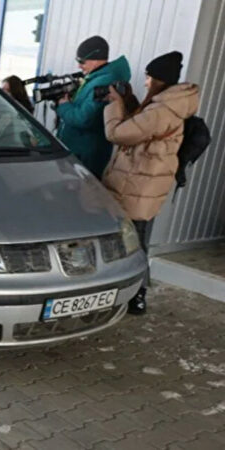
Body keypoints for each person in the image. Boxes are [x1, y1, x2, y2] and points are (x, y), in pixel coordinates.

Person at [102, 51, 199, 314]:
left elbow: (117, 133)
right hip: (140, 185)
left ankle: (137, 296)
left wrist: (113, 103)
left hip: (140, 189)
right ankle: (130, 293)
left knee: (136, 243)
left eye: (148, 77)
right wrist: (130, 100)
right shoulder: (164, 105)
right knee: (132, 240)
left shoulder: (163, 109)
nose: (145, 82)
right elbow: (141, 127)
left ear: (159, 80)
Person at [56, 35, 131, 179]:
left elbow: (85, 119)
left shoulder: (103, 82)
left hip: (85, 154)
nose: (79, 66)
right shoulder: (95, 78)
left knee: (81, 197)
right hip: (81, 150)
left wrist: (64, 106)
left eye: (82, 61)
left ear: (96, 59)